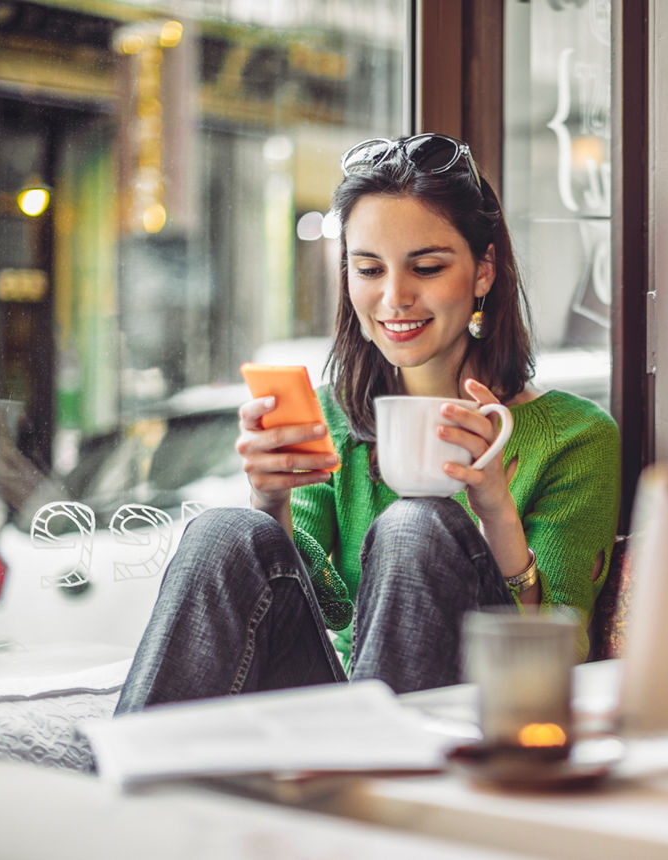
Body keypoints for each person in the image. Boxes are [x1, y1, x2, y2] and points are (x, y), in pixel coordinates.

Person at [116, 134, 620, 711]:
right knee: (225, 529)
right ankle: (124, 786)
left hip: (470, 711)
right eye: (369, 269)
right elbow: (323, 606)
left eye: (426, 267)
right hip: (343, 707)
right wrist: (270, 501)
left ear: (484, 271)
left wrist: (496, 511)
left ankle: (382, 780)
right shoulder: (334, 415)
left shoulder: (576, 438)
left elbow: (553, 656)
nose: (394, 297)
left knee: (415, 525)